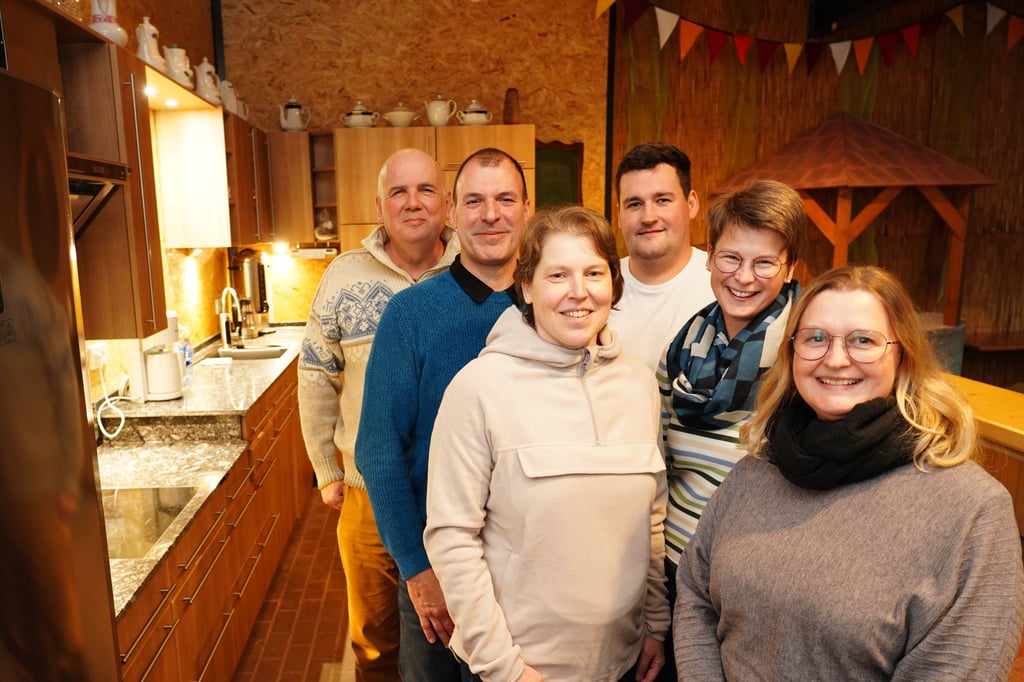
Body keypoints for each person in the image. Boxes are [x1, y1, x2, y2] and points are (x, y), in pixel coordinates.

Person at [674, 265, 1024, 680]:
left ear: (903, 355)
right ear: (792, 353)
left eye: (863, 340)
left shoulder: (972, 510)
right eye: (815, 338)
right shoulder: (759, 469)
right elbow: (695, 591)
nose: (836, 359)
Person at [424, 205, 669, 682]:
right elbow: (452, 538)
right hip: (519, 669)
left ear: (613, 283)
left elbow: (651, 519)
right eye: (558, 275)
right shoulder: (478, 388)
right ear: (527, 287)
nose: (579, 291)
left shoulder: (639, 383)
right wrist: (505, 669)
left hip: (622, 662)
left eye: (594, 272)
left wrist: (655, 625)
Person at [355, 148, 531, 681]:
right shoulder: (410, 314)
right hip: (439, 572)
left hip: (528, 573)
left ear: (527, 209)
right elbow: (379, 453)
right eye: (474, 201)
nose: (491, 214)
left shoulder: (550, 308)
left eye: (505, 199)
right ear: (453, 212)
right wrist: (417, 569)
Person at [297, 148, 458, 681]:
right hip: (367, 491)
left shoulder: (475, 268)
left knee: (451, 632)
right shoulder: (344, 275)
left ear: (447, 203)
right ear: (379, 206)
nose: (413, 203)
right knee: (373, 638)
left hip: (454, 492)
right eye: (398, 192)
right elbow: (315, 372)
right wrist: (326, 469)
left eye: (426, 190)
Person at [661, 179, 806, 562]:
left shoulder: (806, 357)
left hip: (754, 571)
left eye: (764, 263)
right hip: (675, 560)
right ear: (709, 256)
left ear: (790, 267)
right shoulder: (680, 351)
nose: (743, 277)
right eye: (731, 258)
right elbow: (660, 468)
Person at [608, 142, 715, 373]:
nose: (648, 217)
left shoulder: (723, 283)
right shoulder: (595, 287)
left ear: (691, 204)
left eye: (662, 200)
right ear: (619, 215)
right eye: (634, 204)